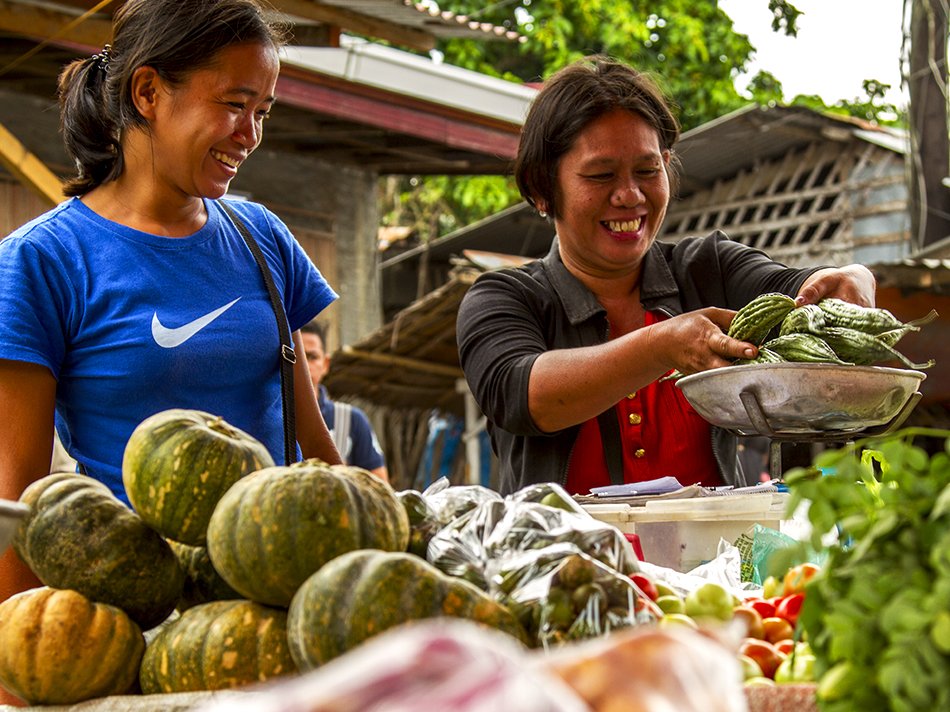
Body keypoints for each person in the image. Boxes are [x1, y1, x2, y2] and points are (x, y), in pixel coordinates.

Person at [0, 0, 344, 628]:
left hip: (279, 612)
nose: (252, 134)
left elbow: (314, 448)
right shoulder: (42, 262)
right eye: (234, 105)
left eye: (262, 111)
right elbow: (16, 497)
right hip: (132, 623)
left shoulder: (260, 235)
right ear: (150, 91)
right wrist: (22, 670)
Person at [456, 55, 876, 497]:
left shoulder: (709, 268)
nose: (630, 195)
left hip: (714, 566)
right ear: (542, 188)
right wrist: (662, 345)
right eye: (601, 175)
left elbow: (800, 291)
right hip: (570, 566)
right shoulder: (502, 299)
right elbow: (525, 395)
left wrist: (849, 277)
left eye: (647, 170)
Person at [300, 321, 389, 482]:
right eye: (297, 356)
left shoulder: (351, 420)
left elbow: (380, 487)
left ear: (325, 364)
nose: (305, 365)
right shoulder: (268, 419)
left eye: (312, 357)